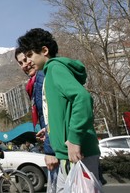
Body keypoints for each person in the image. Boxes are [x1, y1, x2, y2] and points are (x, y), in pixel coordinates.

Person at [16, 28, 101, 192]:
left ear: (44, 51)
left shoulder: (55, 68)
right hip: (65, 153)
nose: (28, 60)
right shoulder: (49, 72)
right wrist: (50, 129)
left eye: (30, 55)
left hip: (77, 152)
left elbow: (82, 98)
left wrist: (74, 139)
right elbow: (62, 110)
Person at [15, 47, 59, 192]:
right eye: (21, 62)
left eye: (27, 58)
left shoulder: (42, 77)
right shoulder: (34, 82)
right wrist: (46, 130)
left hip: (59, 149)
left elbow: (52, 113)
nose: (25, 65)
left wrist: (50, 150)